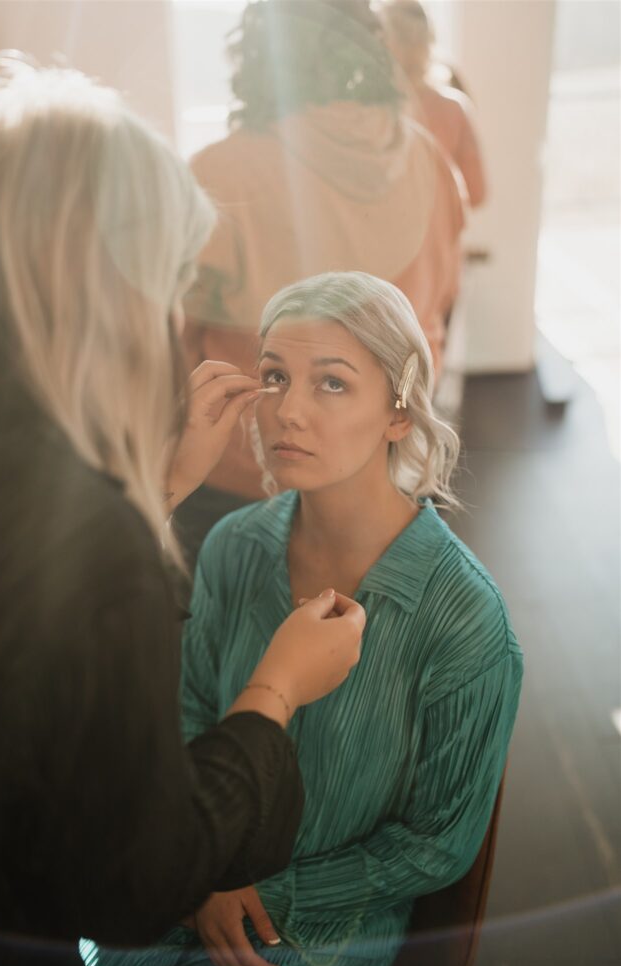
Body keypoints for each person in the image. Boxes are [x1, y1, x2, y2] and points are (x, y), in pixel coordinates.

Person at [0, 63, 366, 966]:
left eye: (332, 381)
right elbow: (128, 883)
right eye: (171, 285)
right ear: (109, 290)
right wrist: (274, 693)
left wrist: (150, 494)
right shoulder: (92, 544)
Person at [82, 271, 523, 966]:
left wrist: (264, 892)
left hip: (315, 935)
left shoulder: (463, 618)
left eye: (331, 384)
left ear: (396, 412)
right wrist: (199, 867)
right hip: (180, 874)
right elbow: (189, 709)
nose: (286, 410)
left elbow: (438, 842)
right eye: (276, 376)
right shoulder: (233, 546)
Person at [176, 0, 464, 560]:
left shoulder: (219, 173)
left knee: (238, 640)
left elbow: (172, 339)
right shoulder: (429, 158)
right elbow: (442, 300)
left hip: (248, 472)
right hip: (389, 468)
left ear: (259, 56)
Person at [381, 0, 487, 208]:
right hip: (441, 238)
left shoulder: (370, 111)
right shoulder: (454, 109)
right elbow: (477, 194)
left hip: (385, 238)